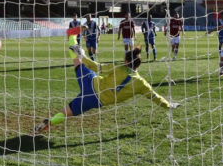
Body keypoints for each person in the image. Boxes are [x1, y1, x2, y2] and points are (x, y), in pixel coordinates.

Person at [34, 40, 180, 133]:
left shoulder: (119, 68)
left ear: (127, 61)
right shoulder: (142, 84)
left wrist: (83, 56)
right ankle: (50, 122)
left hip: (91, 81)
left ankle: (72, 40)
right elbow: (155, 97)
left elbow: (97, 67)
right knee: (66, 112)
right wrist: (169, 105)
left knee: (77, 61)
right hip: (95, 100)